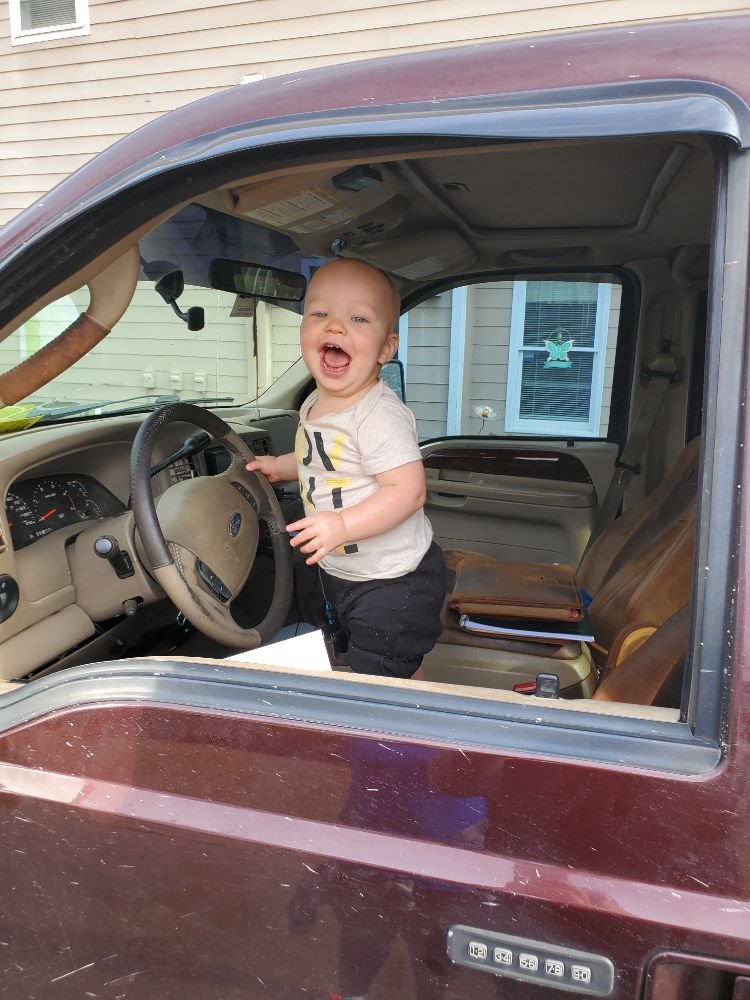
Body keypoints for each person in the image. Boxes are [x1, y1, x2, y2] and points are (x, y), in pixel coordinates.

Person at [246, 258, 446, 678]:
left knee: (382, 679)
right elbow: (317, 459)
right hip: (348, 571)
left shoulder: (377, 415)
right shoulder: (316, 404)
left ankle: (394, 735)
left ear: (386, 349)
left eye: (357, 318)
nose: (335, 328)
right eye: (319, 314)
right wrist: (279, 467)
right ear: (303, 331)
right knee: (382, 667)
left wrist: (340, 525)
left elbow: (408, 492)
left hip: (393, 581)